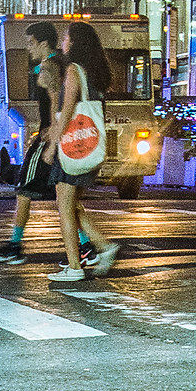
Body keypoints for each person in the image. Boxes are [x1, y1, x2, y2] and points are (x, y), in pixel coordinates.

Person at [0, 23, 89, 265]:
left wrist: (51, 131)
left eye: (31, 43)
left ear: (44, 43)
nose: (28, 48)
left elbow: (55, 101)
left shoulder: (48, 66)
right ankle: (87, 245)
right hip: (57, 134)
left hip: (48, 137)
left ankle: (15, 246)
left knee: (24, 190)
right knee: (66, 197)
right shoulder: (61, 63)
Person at [46, 21, 121, 285]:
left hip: (71, 147)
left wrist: (52, 145)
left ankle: (74, 266)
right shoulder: (95, 72)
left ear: (76, 42)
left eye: (66, 38)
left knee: (65, 207)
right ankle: (104, 246)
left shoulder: (73, 70)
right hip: (88, 145)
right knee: (72, 204)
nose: (62, 42)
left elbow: (67, 111)